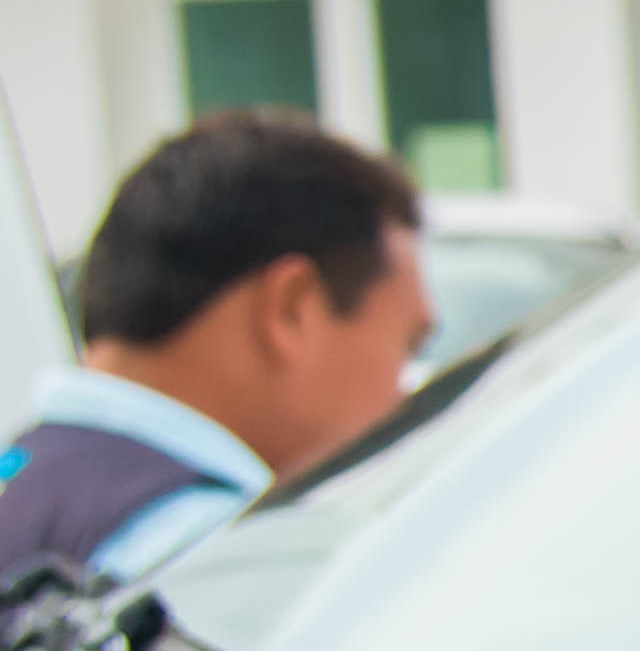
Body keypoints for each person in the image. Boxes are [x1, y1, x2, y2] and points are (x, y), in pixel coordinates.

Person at [0, 110, 430, 585]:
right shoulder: (210, 560)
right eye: (407, 347)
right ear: (291, 307)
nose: (405, 396)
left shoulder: (31, 484)